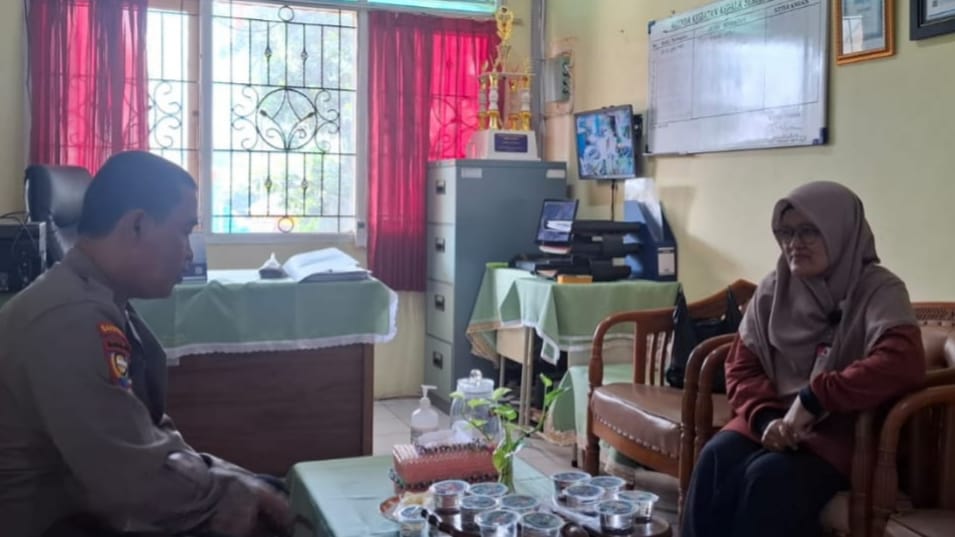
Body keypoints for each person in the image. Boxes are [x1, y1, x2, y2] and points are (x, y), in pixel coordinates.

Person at [0, 152, 293, 537]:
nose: (189, 252)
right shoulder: (69, 319)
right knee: (267, 513)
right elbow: (132, 480)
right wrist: (228, 488)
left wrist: (220, 473)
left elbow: (144, 427)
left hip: (92, 503)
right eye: (183, 231)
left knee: (264, 489)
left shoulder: (98, 298)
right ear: (136, 225)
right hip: (56, 522)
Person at [681, 181, 926, 537]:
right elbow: (741, 366)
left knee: (769, 478)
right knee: (716, 457)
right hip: (773, 418)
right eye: (786, 232)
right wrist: (765, 417)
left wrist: (815, 398)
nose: (794, 243)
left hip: (843, 428)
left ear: (840, 230)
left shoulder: (879, 290)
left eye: (809, 231)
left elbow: (902, 362)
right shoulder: (774, 288)